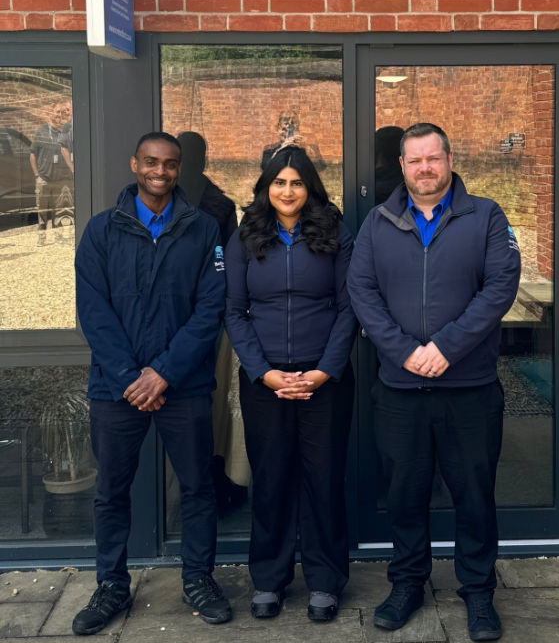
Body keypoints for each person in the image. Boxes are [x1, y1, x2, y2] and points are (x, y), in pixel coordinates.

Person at [347, 122, 521, 642]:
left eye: (433, 158)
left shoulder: (485, 216)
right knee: (404, 494)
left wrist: (446, 347)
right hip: (400, 391)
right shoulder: (378, 223)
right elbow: (361, 291)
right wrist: (404, 353)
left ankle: (478, 593)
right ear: (401, 166)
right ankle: (406, 584)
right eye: (414, 160)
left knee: (473, 495)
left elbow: (499, 288)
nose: (425, 168)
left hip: (469, 388)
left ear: (449, 159)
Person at [72, 132, 232, 636]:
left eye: (169, 164)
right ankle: (111, 585)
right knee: (111, 491)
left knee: (198, 488)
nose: (160, 171)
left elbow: (211, 309)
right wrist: (130, 377)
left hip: (182, 386)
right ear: (134, 163)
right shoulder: (101, 230)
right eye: (151, 162)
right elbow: (93, 312)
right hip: (115, 388)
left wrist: (163, 372)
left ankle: (199, 579)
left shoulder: (204, 229)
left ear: (179, 169)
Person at [224, 145, 357, 623]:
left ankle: (324, 581)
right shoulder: (244, 238)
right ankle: (269, 579)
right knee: (273, 478)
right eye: (278, 182)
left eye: (296, 182)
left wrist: (323, 370)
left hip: (326, 381)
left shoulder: (336, 234)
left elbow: (349, 308)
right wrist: (264, 371)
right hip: (266, 382)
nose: (287, 191)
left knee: (322, 480)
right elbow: (235, 313)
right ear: (265, 187)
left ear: (310, 188)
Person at [176, 131, 249, 515]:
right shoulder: (218, 203)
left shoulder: (219, 205)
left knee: (212, 405)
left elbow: (227, 266)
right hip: (200, 315)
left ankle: (214, 488)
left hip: (210, 319)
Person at [29, 100, 73, 243]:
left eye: (62, 112)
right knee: (42, 212)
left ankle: (58, 238)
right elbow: (32, 154)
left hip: (59, 181)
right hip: (44, 179)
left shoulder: (64, 132)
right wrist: (37, 175)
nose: (60, 115)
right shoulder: (41, 131)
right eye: (57, 112)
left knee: (59, 212)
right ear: (51, 114)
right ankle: (41, 239)